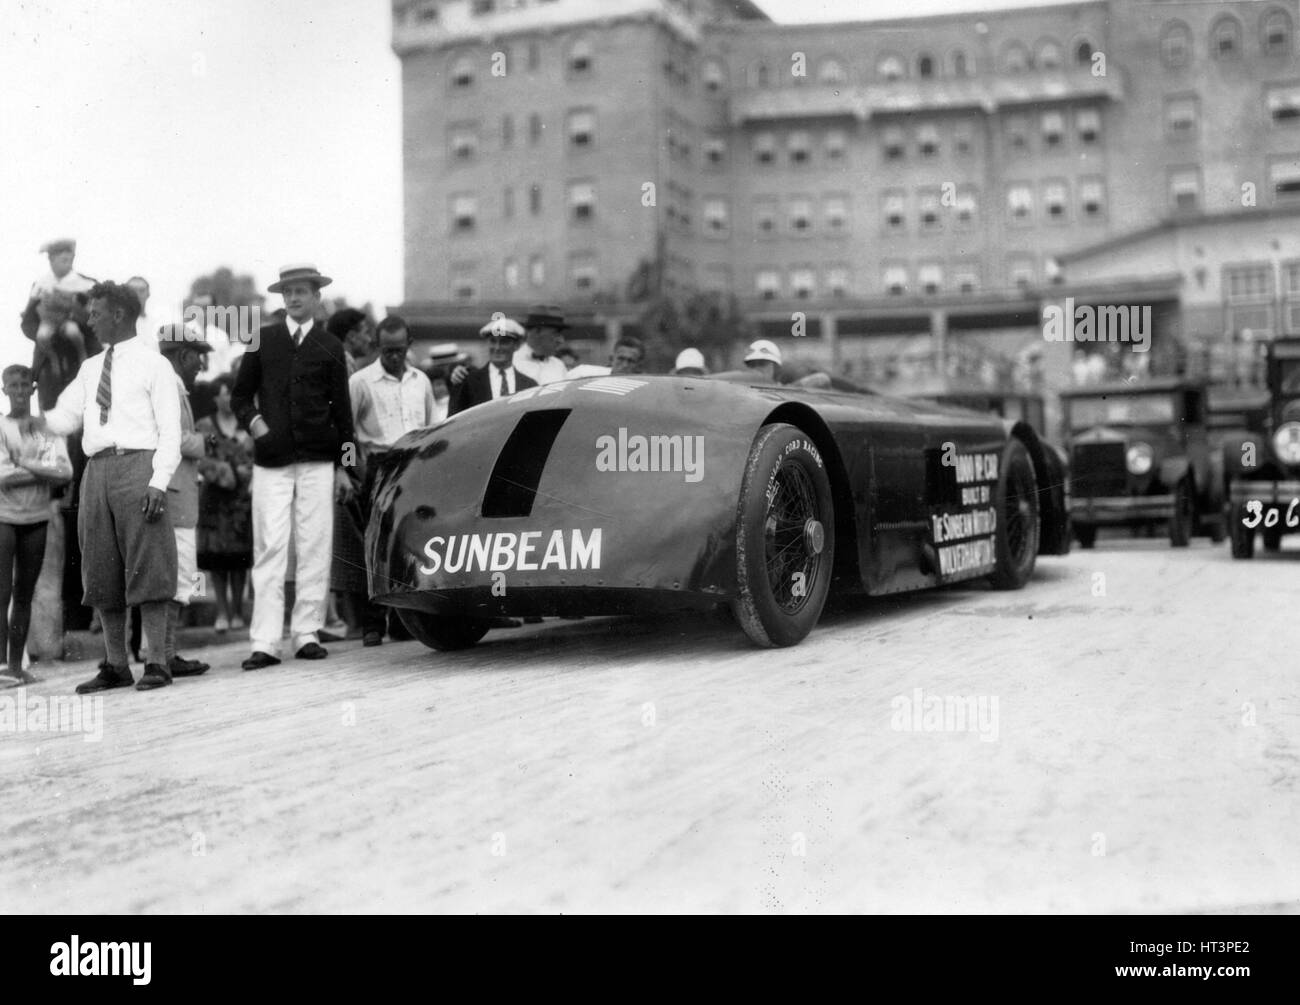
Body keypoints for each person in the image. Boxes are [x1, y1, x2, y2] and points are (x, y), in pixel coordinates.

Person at [37, 281, 182, 693]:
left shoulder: (155, 365)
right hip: (96, 470)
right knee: (100, 567)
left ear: (118, 314)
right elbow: (62, 418)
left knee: (150, 563)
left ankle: (156, 661)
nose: (90, 319)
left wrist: (158, 480)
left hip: (140, 464)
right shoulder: (89, 368)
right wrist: (27, 417)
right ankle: (116, 664)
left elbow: (170, 432)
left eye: (96, 312)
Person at [232, 264, 357, 671]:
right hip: (272, 461)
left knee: (315, 545)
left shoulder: (330, 345)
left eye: (301, 291)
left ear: (317, 296)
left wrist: (345, 467)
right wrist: (260, 429)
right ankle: (265, 641)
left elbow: (344, 413)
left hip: (319, 462)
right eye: (287, 292)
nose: (294, 298)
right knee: (269, 547)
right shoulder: (261, 339)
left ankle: (307, 633)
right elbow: (240, 399)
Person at [346, 315, 437, 645]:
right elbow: (346, 431)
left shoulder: (421, 381)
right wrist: (352, 469)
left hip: (413, 461)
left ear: (409, 346)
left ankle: (404, 621)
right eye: (387, 350)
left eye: (399, 350)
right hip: (379, 462)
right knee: (375, 544)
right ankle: (372, 624)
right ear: (377, 347)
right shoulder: (361, 382)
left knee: (410, 541)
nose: (394, 357)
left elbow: (431, 425)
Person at [0, 365, 72, 687]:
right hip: (4, 517)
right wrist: (42, 471)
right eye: (11, 386)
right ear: (4, 390)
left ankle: (16, 667)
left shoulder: (46, 429)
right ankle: (1, 667)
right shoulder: (1, 427)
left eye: (23, 385)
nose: (18, 391)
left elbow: (65, 472)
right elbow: (2, 477)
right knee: (1, 594)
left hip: (37, 517)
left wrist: (23, 465)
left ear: (31, 389)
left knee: (24, 594)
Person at [156, 325, 216, 678]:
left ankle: (165, 652)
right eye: (198, 356)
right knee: (176, 579)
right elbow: (177, 439)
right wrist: (205, 442)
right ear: (182, 355)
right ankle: (164, 654)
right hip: (175, 496)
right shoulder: (169, 388)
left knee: (176, 578)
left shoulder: (170, 386)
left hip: (175, 494)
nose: (202, 364)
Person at [195, 373, 253, 633]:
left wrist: (246, 471)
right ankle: (222, 611)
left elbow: (256, 455)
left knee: (239, 557)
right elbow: (202, 458)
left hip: (241, 499)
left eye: (231, 392)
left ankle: (239, 610)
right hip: (215, 499)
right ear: (215, 397)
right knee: (217, 558)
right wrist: (226, 471)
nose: (227, 397)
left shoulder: (247, 425)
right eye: (222, 392)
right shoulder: (206, 426)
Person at [21, 239, 99, 412]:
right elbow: (27, 323)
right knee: (50, 412)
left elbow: (98, 323)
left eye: (70, 258)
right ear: (51, 260)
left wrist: (76, 314)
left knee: (83, 411)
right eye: (61, 258)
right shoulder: (41, 284)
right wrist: (50, 330)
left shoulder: (86, 285)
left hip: (78, 357)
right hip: (49, 360)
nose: (67, 263)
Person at [449, 316, 537, 414]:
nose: (497, 347)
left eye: (504, 342)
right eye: (493, 341)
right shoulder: (468, 381)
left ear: (516, 346)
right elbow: (453, 422)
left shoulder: (530, 385)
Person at [512, 305, 571, 386]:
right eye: (555, 333)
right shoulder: (513, 363)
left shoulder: (559, 365)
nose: (561, 340)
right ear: (536, 332)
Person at [327, 307, 372, 377]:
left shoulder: (330, 362)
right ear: (352, 337)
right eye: (366, 333)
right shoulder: (345, 366)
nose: (369, 339)